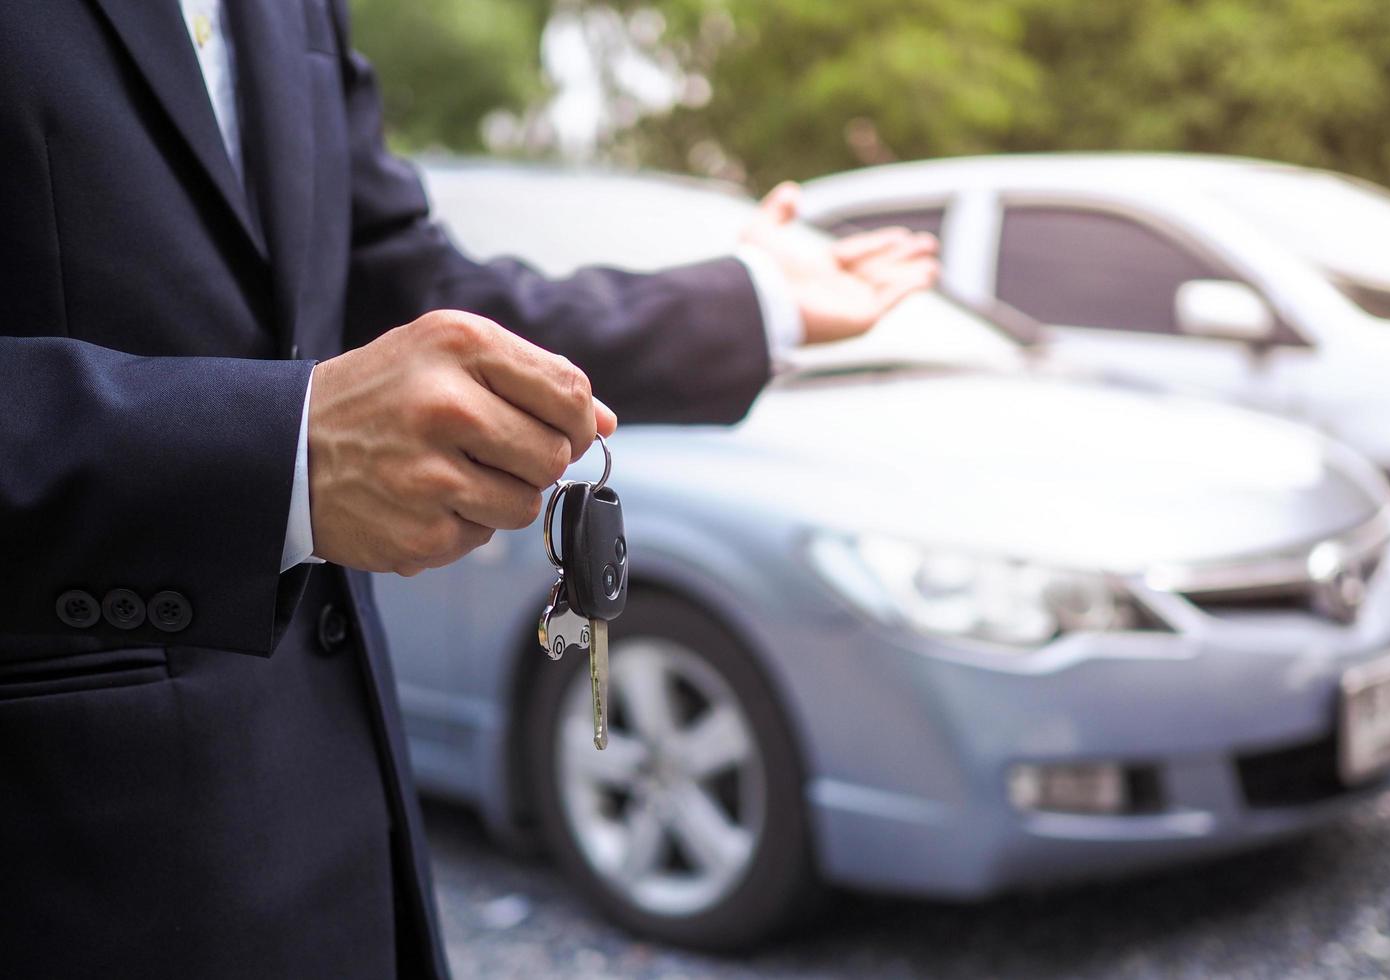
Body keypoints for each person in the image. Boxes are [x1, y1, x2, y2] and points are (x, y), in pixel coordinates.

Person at [0, 1, 938, 977]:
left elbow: (407, 285)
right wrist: (275, 451)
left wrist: (750, 301)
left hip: (348, 857)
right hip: (59, 870)